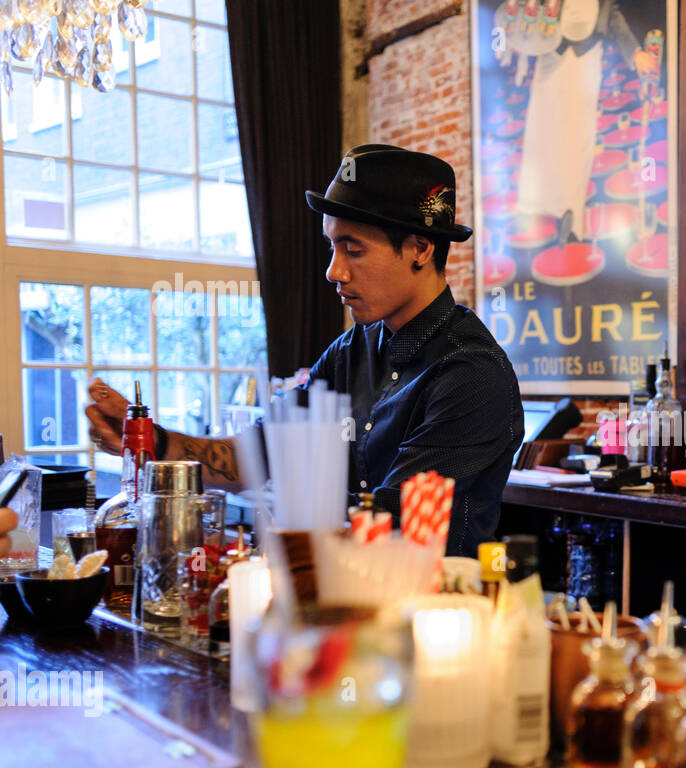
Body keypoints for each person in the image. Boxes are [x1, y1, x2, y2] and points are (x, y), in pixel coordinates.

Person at [85, 145, 524, 557]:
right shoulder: (351, 350)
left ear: (420, 249)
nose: (334, 271)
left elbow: (390, 524)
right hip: (340, 601)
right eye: (332, 247)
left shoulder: (471, 373)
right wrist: (151, 441)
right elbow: (257, 454)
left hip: (432, 614)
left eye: (353, 250)